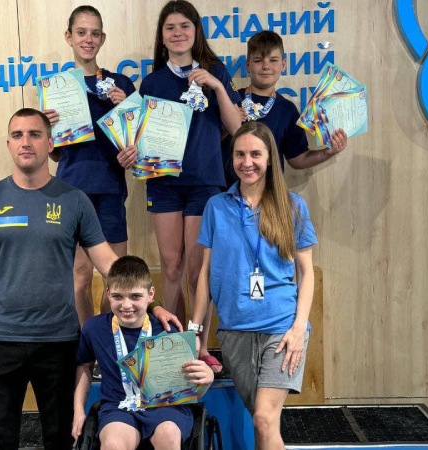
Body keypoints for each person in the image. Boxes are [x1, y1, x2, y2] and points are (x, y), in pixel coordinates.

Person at [0, 107, 125, 450]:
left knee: (59, 440)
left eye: (34, 134)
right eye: (17, 135)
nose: (25, 142)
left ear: (50, 143)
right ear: (8, 144)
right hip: (0, 341)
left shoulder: (75, 201)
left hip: (59, 342)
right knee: (1, 440)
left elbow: (109, 264)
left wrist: (152, 303)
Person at [192, 121, 318, 450]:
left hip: (281, 328)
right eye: (240, 154)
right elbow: (205, 274)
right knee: (262, 422)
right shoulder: (216, 207)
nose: (247, 162)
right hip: (235, 330)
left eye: (255, 154)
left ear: (270, 158)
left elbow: (307, 273)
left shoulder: (293, 206)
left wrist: (299, 328)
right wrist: (195, 332)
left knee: (263, 417)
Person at [138, 0, 242, 372]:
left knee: (199, 273)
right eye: (170, 27)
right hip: (164, 184)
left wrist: (216, 87)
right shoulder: (152, 82)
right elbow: (143, 138)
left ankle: (198, 346)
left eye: (184, 26)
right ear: (162, 36)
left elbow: (236, 128)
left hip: (204, 183)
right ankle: (172, 343)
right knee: (171, 267)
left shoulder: (216, 72)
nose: (178, 33)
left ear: (196, 31)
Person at [43, 5, 138, 323]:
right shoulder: (56, 88)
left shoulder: (121, 84)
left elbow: (136, 148)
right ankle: (87, 342)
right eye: (81, 32)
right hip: (72, 191)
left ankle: (109, 339)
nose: (88, 39)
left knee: (117, 279)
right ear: (69, 37)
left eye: (95, 33)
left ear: (103, 38)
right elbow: (56, 155)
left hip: (111, 188)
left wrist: (127, 108)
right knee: (80, 277)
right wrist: (49, 129)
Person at [72, 255, 213, 449]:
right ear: (108, 293)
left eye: (135, 296)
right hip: (119, 406)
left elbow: (187, 389)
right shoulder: (94, 329)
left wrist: (207, 380)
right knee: (113, 444)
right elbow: (84, 366)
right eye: (117, 296)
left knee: (169, 434)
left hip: (164, 406)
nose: (126, 305)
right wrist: (78, 410)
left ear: (150, 294)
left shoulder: (169, 332)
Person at [222, 30, 348, 186]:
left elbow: (298, 159)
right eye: (258, 60)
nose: (266, 66)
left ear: (283, 65)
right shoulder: (230, 102)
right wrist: (227, 125)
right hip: (227, 192)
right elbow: (208, 142)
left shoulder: (288, 110)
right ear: (248, 65)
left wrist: (328, 152)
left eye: (273, 60)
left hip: (270, 192)